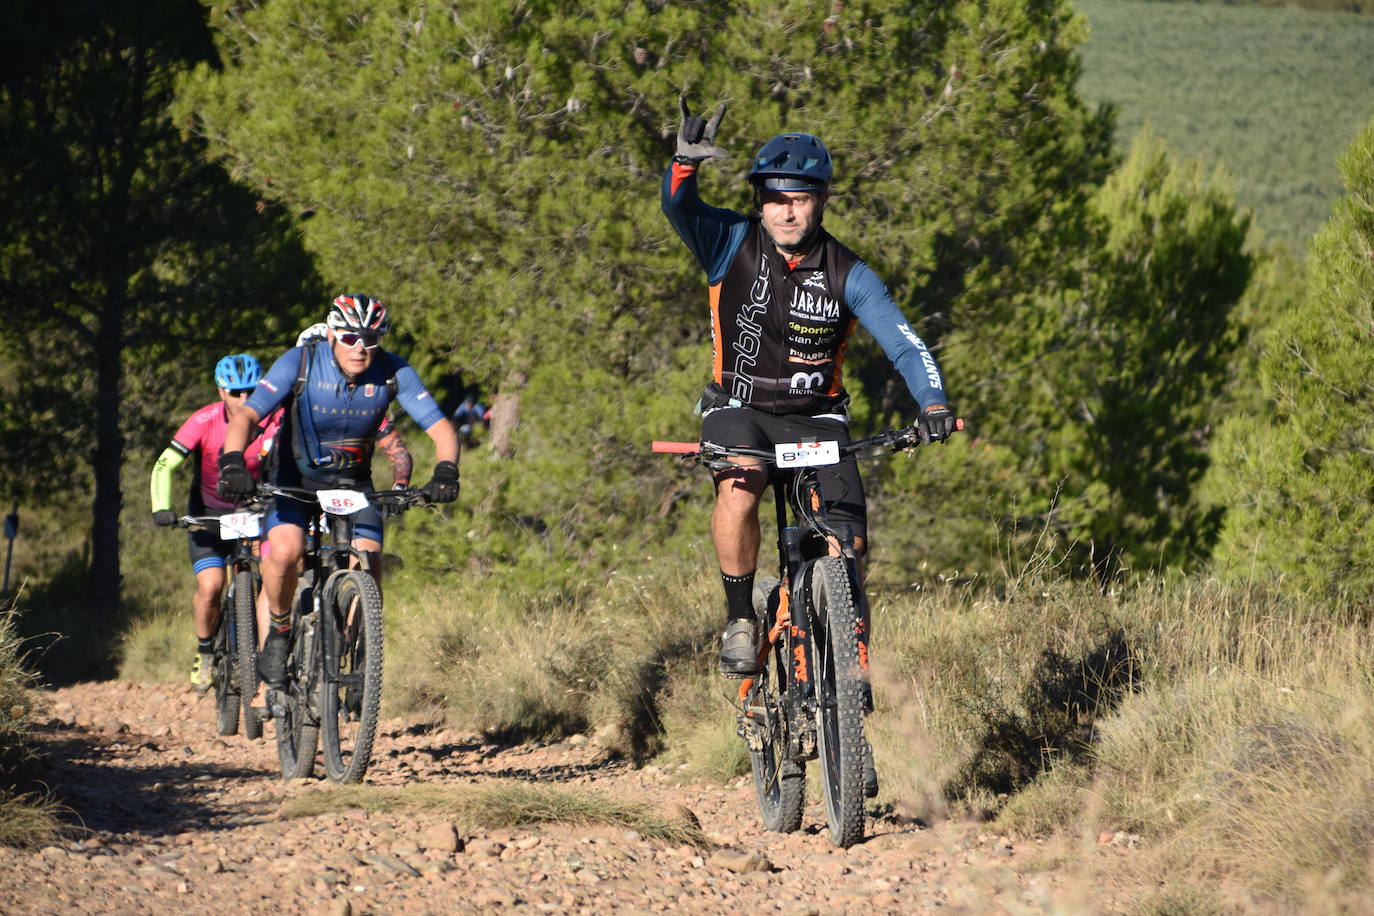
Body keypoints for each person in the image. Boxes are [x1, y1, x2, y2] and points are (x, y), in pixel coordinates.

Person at [662, 97, 957, 677]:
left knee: (848, 549)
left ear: (820, 202)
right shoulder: (729, 242)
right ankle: (740, 618)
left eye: (798, 199)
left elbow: (904, 342)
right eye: (774, 199)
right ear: (760, 202)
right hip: (739, 409)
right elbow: (679, 207)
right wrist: (683, 165)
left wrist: (934, 402)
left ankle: (850, 677)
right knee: (738, 488)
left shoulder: (850, 272)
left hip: (817, 422)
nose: (786, 213)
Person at [217, 294, 459, 689]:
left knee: (371, 560)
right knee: (285, 552)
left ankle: (355, 648)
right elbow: (247, 414)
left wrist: (447, 471)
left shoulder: (392, 370)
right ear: (331, 334)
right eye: (349, 338)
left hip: (353, 483)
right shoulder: (301, 362)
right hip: (294, 480)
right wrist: (232, 461)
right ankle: (278, 633)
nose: (360, 348)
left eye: (371, 339)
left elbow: (442, 429)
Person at [150, 354, 280, 692]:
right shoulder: (204, 419)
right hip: (210, 516)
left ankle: (266, 657)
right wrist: (161, 507)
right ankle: (205, 651)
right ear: (221, 391)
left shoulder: (274, 416)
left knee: (273, 578)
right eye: (235, 393)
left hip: (257, 513)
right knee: (210, 588)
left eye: (251, 391)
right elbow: (165, 464)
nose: (244, 400)